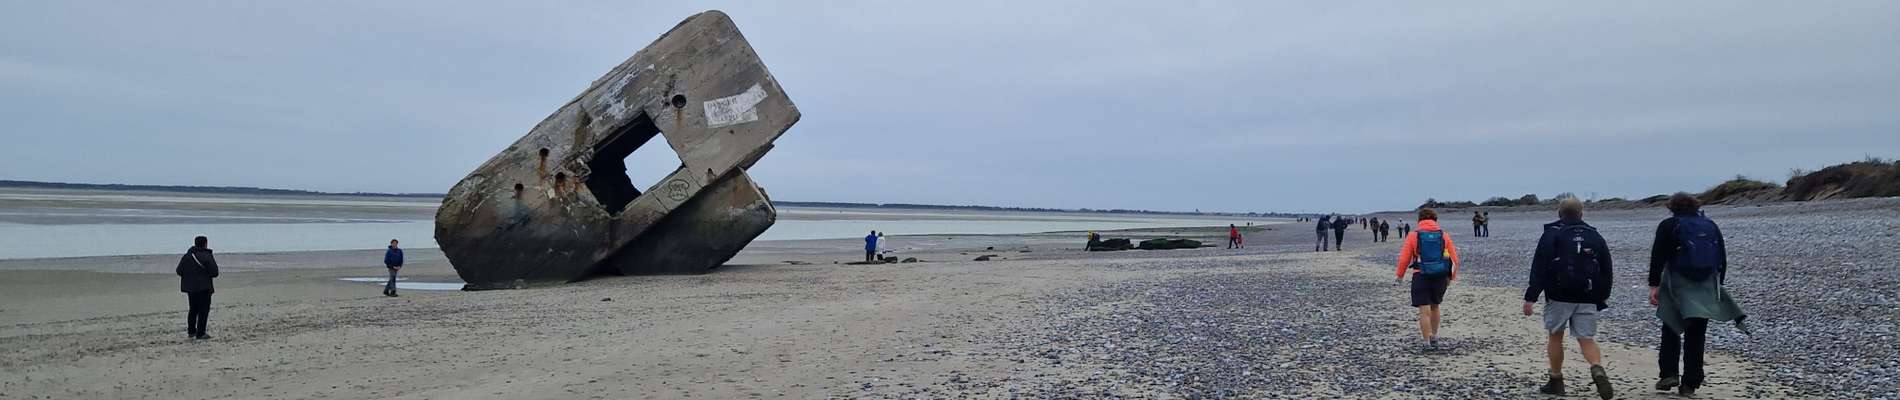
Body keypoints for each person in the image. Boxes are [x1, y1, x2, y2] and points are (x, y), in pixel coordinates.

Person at [1649, 193, 1749, 396]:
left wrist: (1654, 285)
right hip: (1705, 284)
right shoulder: (1710, 225)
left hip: (1676, 283)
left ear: (1672, 208)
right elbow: (1721, 257)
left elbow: (1657, 256)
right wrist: (1718, 284)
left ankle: (1669, 373)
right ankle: (1691, 383)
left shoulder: (1668, 225)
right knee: (1697, 334)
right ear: (1696, 206)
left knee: (1671, 327)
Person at [1522, 199, 1615, 399]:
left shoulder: (1552, 234)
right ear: (1581, 213)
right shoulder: (1594, 235)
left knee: (1555, 336)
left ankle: (1556, 380)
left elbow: (1540, 266)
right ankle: (1596, 367)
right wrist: (1601, 297)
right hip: (1588, 295)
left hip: (1558, 295)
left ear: (1560, 213)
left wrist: (1531, 297)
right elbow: (1606, 268)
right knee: (1586, 338)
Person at [1394, 209, 1459, 349]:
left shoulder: (1413, 235)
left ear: (1419, 220)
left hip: (1420, 275)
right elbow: (1454, 259)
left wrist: (1400, 275)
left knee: (1424, 309)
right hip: (1440, 275)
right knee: (1435, 306)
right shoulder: (1444, 235)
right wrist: (1451, 276)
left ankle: (1426, 341)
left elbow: (1404, 258)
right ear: (1435, 219)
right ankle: (1434, 336)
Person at [176, 235, 219, 340]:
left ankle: (191, 331)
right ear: (205, 243)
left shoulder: (187, 256)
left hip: (190, 287)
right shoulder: (207, 255)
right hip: (204, 287)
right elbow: (215, 272)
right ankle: (201, 333)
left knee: (193, 309)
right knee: (203, 310)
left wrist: (190, 275)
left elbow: (179, 271)